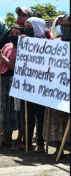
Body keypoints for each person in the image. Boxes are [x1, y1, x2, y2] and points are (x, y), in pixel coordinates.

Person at [11, 17, 47, 152]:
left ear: (37, 27)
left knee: (40, 115)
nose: (26, 29)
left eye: (29, 27)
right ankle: (27, 141)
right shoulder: (25, 42)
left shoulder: (45, 43)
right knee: (29, 114)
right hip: (28, 85)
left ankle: (41, 143)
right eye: (25, 26)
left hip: (41, 86)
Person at [0, 25, 25, 148]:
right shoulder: (6, 46)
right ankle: (7, 137)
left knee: (18, 110)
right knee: (5, 110)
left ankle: (19, 139)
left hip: (16, 81)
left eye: (17, 33)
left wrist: (1, 56)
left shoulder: (24, 48)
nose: (14, 35)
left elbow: (14, 67)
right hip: (3, 81)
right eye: (12, 33)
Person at [43, 14, 70, 158]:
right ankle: (59, 149)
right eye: (62, 26)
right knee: (59, 120)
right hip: (57, 89)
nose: (64, 28)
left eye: (67, 26)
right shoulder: (55, 42)